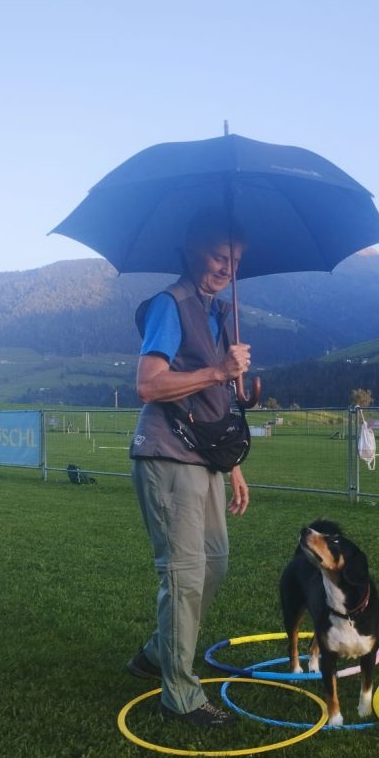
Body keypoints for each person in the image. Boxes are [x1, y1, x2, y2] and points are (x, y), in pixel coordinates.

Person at [126, 209, 252, 727]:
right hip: (166, 453)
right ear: (194, 250)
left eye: (235, 261)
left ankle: (156, 653)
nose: (227, 268)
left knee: (214, 563)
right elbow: (149, 384)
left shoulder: (217, 313)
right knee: (184, 573)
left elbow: (216, 401)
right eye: (220, 256)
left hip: (206, 458)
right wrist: (219, 369)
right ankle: (179, 696)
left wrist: (233, 464)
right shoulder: (171, 304)